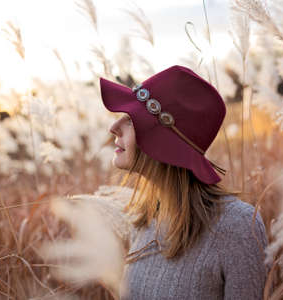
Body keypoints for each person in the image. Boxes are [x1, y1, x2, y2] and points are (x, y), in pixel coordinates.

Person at [99, 65, 268, 300]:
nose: (113, 127)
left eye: (131, 119)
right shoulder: (144, 219)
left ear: (162, 141)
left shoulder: (238, 226)